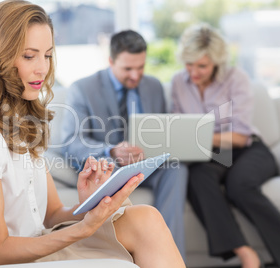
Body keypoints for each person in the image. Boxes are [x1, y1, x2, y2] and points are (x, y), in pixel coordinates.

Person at [0, 1, 186, 268]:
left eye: (47, 55)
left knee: (145, 219)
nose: (43, 68)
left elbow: (51, 214)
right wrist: (83, 228)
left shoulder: (18, 119)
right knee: (139, 225)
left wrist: (92, 205)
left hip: (29, 243)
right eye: (29, 56)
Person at [171, 23, 280, 268]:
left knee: (239, 185)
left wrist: (195, 133)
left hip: (248, 149)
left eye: (202, 66)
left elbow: (239, 136)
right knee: (197, 176)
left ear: (216, 62)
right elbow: (177, 125)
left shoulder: (236, 78)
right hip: (209, 154)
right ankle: (246, 253)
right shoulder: (178, 82)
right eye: (189, 64)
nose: (193, 72)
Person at [61, 30, 188, 260]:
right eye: (128, 69)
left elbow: (161, 129)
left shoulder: (154, 86)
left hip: (146, 164)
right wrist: (111, 150)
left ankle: (170, 256)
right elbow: (72, 142)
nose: (135, 75)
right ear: (111, 61)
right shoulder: (83, 89)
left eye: (140, 67)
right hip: (111, 167)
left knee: (177, 170)